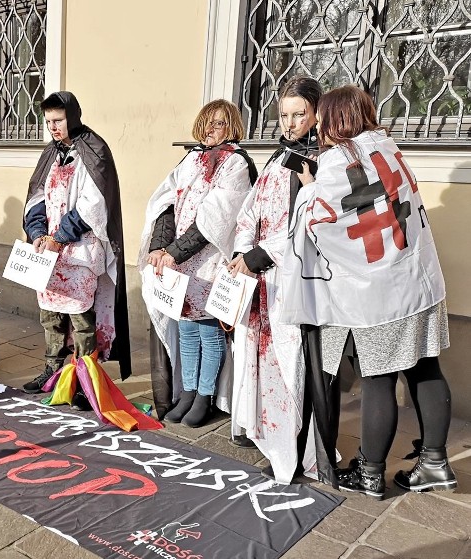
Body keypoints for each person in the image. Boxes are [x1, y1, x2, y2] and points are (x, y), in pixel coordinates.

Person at [281, 84, 456, 499]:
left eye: (322, 117)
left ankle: (370, 474)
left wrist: (308, 186)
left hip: (379, 292)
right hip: (419, 280)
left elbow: (318, 220)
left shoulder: (338, 162)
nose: (318, 125)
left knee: (378, 379)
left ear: (335, 119)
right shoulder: (386, 146)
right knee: (425, 366)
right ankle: (435, 463)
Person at [226, 77, 322, 484]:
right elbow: (251, 210)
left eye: (299, 114)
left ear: (317, 113)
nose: (291, 122)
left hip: (290, 284)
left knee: (288, 365)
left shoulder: (318, 162)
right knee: (257, 361)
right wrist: (240, 253)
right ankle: (262, 432)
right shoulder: (278, 157)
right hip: (259, 281)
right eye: (284, 114)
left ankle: (291, 452)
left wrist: (259, 256)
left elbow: (308, 226)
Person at [140, 100, 256, 427]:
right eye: (206, 123)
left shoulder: (236, 164)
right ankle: (188, 391)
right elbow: (165, 204)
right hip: (180, 263)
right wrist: (160, 247)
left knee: (209, 331)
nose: (210, 130)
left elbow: (215, 220)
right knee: (187, 329)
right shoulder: (191, 158)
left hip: (209, 262)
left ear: (231, 126)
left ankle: (205, 396)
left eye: (218, 124)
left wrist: (174, 252)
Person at [21, 91, 131, 410]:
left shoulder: (94, 150)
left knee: (81, 318)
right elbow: (36, 197)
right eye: (48, 122)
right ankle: (53, 370)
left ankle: (84, 380)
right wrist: (39, 233)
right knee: (50, 315)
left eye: (58, 120)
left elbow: (93, 205)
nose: (53, 127)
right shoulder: (51, 153)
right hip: (50, 251)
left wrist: (61, 236)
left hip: (80, 250)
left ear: (72, 116)